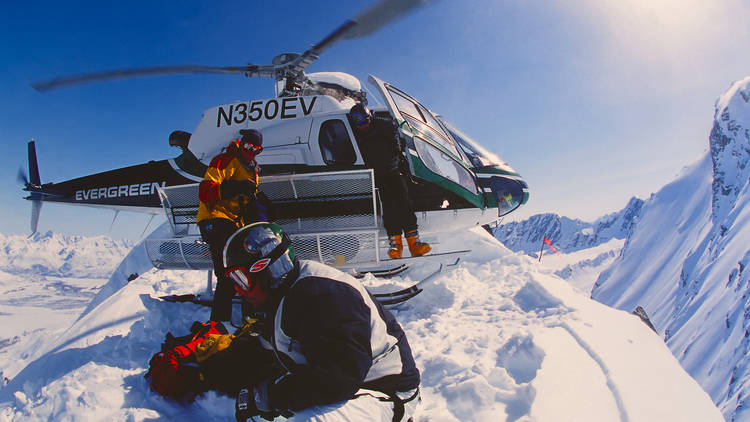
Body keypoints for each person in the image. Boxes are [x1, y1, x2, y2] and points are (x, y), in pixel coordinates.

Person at [224, 222, 421, 422]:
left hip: (386, 391)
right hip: (350, 384)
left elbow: (340, 379)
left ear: (271, 268)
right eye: (233, 280)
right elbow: (270, 346)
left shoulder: (324, 297)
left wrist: (272, 396)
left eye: (241, 278)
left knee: (313, 420)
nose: (238, 290)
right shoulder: (279, 294)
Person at [196, 129, 269, 322]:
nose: (251, 152)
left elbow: (246, 202)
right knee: (229, 273)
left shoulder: (252, 170)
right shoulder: (225, 160)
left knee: (246, 269)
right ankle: (221, 324)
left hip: (233, 224)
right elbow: (205, 191)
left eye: (256, 150)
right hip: (215, 218)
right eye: (248, 147)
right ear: (241, 144)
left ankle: (247, 319)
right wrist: (234, 188)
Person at [349, 103, 431, 259]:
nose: (363, 127)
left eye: (365, 122)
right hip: (378, 176)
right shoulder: (358, 134)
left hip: (394, 171)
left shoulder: (384, 126)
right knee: (389, 208)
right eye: (359, 125)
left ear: (370, 118)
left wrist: (397, 156)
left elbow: (397, 143)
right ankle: (396, 245)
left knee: (404, 204)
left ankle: (414, 243)